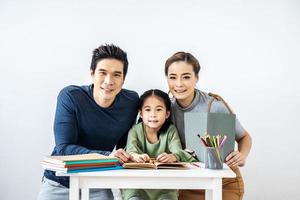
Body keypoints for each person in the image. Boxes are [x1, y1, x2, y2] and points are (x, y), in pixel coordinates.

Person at [37, 44, 139, 200]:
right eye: (102, 73)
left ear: (123, 79)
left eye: (116, 74)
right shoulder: (70, 97)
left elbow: (124, 147)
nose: (108, 81)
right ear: (92, 74)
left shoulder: (131, 102)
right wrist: (109, 156)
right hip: (60, 183)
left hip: (97, 183)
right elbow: (64, 148)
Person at [164, 52, 252, 200]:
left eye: (186, 77)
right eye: (173, 77)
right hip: (187, 184)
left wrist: (242, 156)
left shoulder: (214, 106)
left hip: (223, 182)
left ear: (196, 78)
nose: (178, 84)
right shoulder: (165, 110)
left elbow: (244, 137)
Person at [122, 89, 196, 200]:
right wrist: (136, 156)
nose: (153, 114)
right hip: (137, 186)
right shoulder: (135, 131)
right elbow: (131, 151)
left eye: (158, 109)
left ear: (167, 114)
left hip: (165, 187)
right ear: (141, 113)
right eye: (147, 110)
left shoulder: (170, 131)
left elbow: (178, 152)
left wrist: (173, 156)